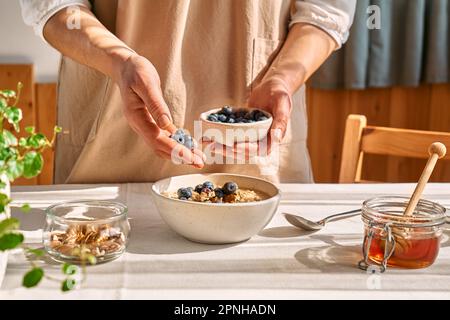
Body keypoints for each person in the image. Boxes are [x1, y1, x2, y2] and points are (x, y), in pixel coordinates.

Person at [20, 0, 356, 184]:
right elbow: (53, 5)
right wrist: (120, 61)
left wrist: (282, 78)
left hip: (256, 160)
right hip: (109, 151)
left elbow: (325, 12)